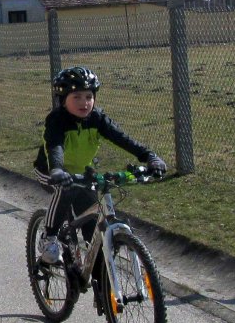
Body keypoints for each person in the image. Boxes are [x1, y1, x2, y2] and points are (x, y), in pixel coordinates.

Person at [33, 66, 167, 264]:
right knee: (65, 189)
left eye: (89, 96)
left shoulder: (97, 118)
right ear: (63, 100)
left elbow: (121, 138)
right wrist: (57, 169)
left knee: (93, 226)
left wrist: (149, 156)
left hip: (81, 173)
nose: (84, 102)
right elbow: (55, 146)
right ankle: (49, 237)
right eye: (76, 97)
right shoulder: (56, 120)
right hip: (50, 171)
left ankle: (98, 275)